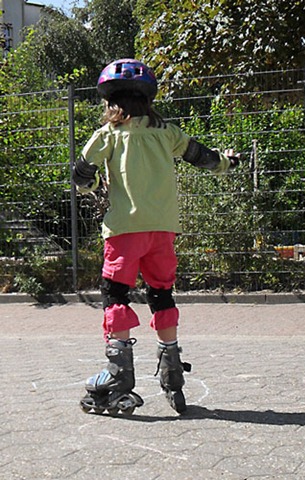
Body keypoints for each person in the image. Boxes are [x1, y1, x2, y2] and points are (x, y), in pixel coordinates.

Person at [73, 58, 239, 415]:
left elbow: (81, 173)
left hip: (124, 230)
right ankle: (173, 375)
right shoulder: (168, 132)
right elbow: (203, 157)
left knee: (116, 296)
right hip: (162, 230)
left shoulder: (108, 135)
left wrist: (91, 185)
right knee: (162, 295)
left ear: (110, 101)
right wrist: (228, 161)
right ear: (148, 99)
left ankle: (118, 379)